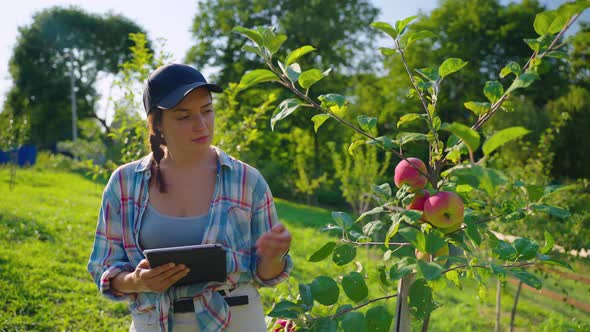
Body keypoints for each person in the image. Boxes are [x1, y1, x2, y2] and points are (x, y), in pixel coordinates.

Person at [87, 63, 293, 332]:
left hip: (237, 319)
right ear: (157, 124)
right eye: (184, 116)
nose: (201, 124)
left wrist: (272, 257)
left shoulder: (247, 181)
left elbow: (265, 275)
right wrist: (138, 281)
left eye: (207, 110)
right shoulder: (124, 184)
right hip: (155, 322)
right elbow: (104, 267)